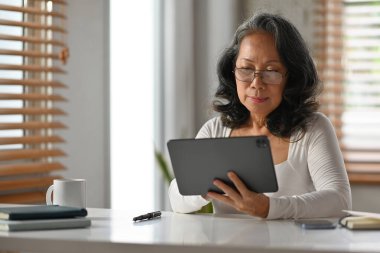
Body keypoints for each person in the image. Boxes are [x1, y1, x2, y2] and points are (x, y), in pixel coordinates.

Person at [168, 13, 352, 219]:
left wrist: (269, 208)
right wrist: (204, 188)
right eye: (246, 69)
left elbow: (339, 200)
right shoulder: (215, 130)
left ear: (290, 77)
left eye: (271, 71)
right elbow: (177, 199)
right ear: (233, 72)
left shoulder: (313, 128)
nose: (256, 83)